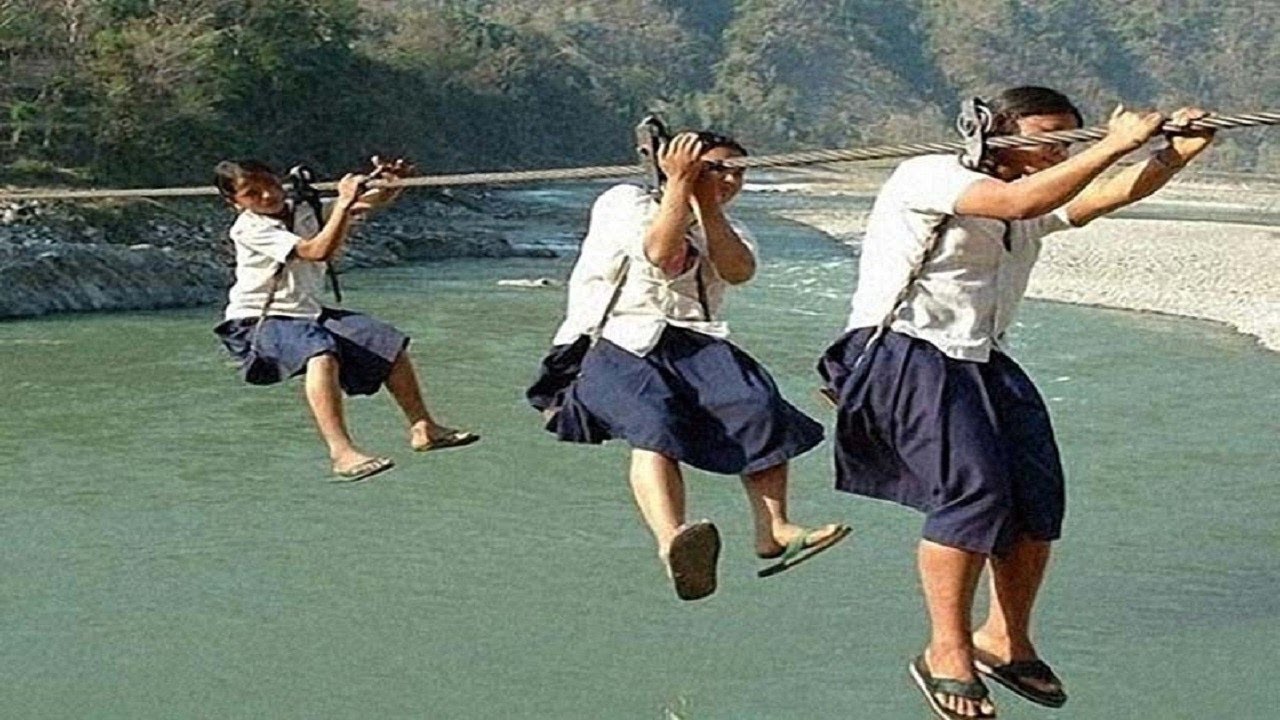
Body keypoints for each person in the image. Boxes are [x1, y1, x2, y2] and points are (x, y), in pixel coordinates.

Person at [817, 87, 1214, 718]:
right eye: (1047, 132)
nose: (1059, 146)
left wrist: (1175, 158)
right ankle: (945, 650)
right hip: (907, 349)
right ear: (997, 128)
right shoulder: (931, 175)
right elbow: (1015, 199)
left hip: (981, 357)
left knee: (1036, 500)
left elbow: (1095, 199)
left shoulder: (1037, 194)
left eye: (1069, 136)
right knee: (971, 492)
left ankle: (1003, 639)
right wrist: (1113, 143)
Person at [529, 130, 849, 601]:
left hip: (693, 342)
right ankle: (672, 539)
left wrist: (708, 206)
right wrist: (679, 185)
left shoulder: (730, 229)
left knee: (757, 405)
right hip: (613, 339)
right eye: (719, 170)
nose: (732, 180)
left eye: (739, 172)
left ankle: (773, 529)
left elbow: (738, 271)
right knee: (654, 426)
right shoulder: (625, 202)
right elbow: (660, 253)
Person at [213, 158, 478, 482]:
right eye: (253, 193)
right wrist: (343, 205)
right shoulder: (252, 227)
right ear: (235, 202)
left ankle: (424, 427)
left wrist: (389, 184)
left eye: (270, 184)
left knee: (385, 342)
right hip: (258, 320)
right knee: (319, 353)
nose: (268, 196)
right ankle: (341, 452)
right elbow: (315, 251)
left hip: (306, 312)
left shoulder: (302, 208)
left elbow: (366, 203)